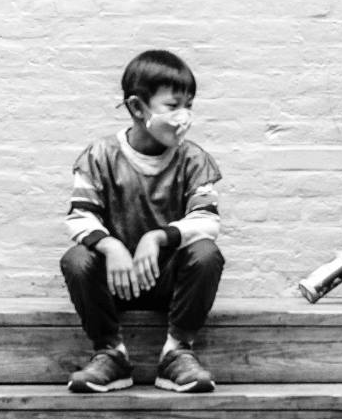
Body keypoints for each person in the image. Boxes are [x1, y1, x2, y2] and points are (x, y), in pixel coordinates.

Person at [61, 50, 224, 394]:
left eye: (190, 106)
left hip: (167, 281)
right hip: (114, 281)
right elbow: (79, 218)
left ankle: (176, 351)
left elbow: (207, 220)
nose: (185, 117)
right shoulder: (99, 155)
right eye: (173, 105)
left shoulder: (194, 159)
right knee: (76, 259)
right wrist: (111, 245)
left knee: (207, 253)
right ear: (138, 108)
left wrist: (158, 237)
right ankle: (111, 353)